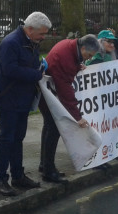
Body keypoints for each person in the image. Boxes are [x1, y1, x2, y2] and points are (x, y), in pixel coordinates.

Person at [0, 12, 51, 197]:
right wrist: (36, 74)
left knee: (17, 139)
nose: (44, 37)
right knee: (6, 139)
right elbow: (9, 69)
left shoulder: (30, 42)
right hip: (9, 99)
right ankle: (1, 179)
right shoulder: (11, 43)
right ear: (30, 29)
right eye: (41, 34)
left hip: (23, 99)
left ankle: (18, 175)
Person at [39, 34, 101, 183]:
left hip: (47, 91)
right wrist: (77, 116)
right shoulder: (66, 57)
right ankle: (48, 171)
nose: (87, 58)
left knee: (49, 126)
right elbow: (65, 90)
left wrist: (78, 66)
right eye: (88, 55)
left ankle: (45, 164)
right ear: (84, 47)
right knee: (53, 129)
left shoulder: (71, 47)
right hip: (49, 93)